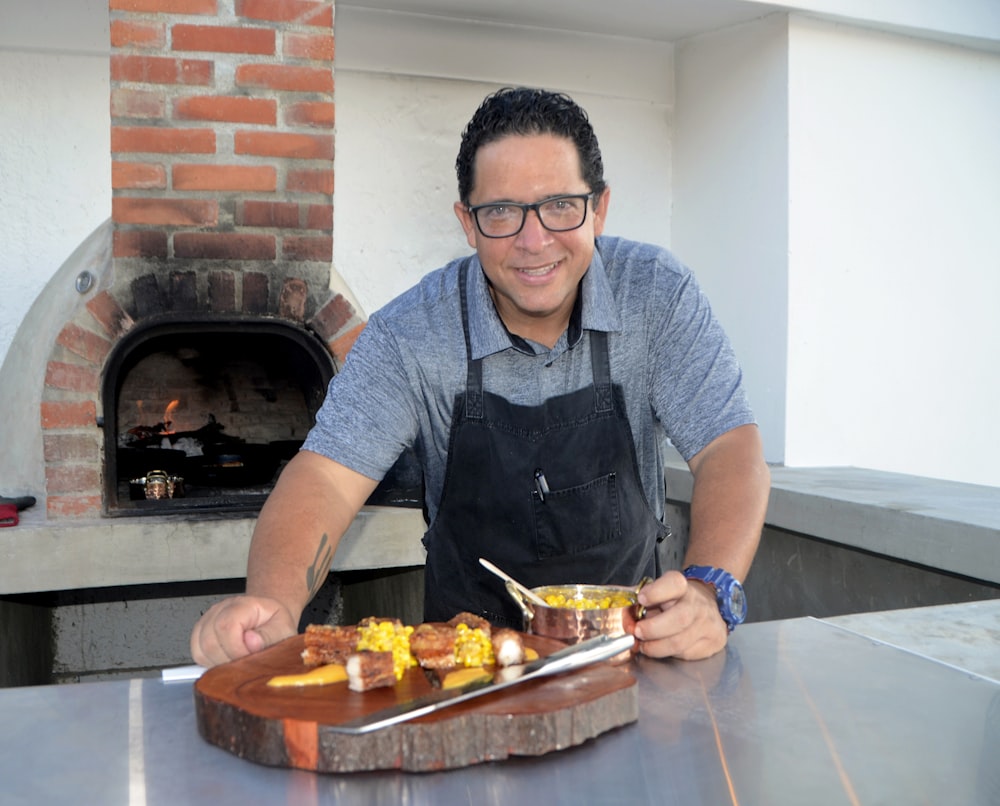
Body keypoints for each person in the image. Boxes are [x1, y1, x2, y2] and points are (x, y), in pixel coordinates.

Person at [190, 87, 770, 667]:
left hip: (634, 658)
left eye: (561, 205)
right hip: (462, 674)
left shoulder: (655, 293)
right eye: (501, 212)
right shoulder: (409, 334)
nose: (534, 240)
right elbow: (323, 480)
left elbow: (728, 446)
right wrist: (271, 601)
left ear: (599, 208)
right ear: (467, 223)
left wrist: (708, 589)